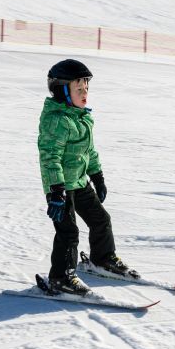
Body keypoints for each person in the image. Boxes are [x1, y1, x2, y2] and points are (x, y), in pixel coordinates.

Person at [37, 59, 135, 296]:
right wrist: (56, 191)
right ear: (63, 91)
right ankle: (60, 278)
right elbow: (50, 158)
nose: (85, 94)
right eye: (79, 89)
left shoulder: (82, 117)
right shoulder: (57, 120)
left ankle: (102, 259)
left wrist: (97, 176)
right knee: (68, 232)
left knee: (101, 220)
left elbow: (89, 151)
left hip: (80, 181)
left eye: (86, 89)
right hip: (61, 188)